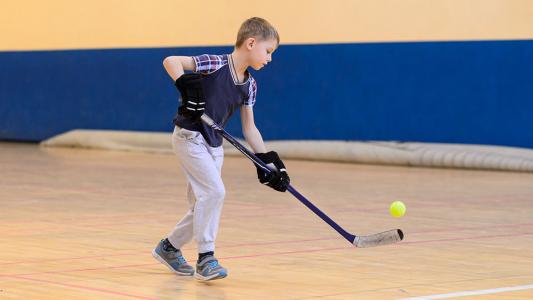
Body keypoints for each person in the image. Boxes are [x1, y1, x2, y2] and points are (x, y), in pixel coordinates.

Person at [152, 17, 290, 281]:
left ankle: (169, 247)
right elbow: (171, 61)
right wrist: (186, 87)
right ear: (251, 43)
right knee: (214, 193)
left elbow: (250, 128)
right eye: (269, 51)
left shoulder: (250, 85)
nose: (270, 58)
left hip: (214, 146)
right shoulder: (215, 63)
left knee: (204, 205)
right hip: (189, 137)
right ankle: (206, 259)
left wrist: (268, 162)